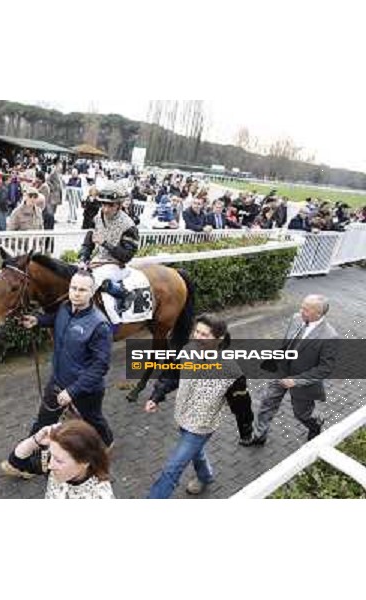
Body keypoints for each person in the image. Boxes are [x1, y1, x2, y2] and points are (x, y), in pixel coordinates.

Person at [0, 269, 114, 479]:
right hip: (57, 381)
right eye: (73, 288)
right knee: (43, 420)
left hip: (85, 390)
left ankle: (107, 442)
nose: (76, 293)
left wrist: (73, 391)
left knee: (93, 420)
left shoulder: (100, 325)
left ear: (91, 292)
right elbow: (56, 318)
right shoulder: (65, 307)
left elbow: (100, 367)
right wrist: (38, 321)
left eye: (82, 289)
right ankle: (22, 463)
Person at [146, 314, 243, 498]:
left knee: (171, 469)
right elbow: (171, 376)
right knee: (195, 452)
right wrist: (156, 396)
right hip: (183, 415)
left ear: (218, 339)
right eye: (196, 331)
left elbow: (240, 401)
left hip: (201, 426)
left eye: (204, 334)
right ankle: (205, 476)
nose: (198, 337)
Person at [243, 295, 339, 446]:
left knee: (302, 414)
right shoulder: (296, 318)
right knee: (267, 403)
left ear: (318, 314)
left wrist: (296, 381)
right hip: (281, 372)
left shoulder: (330, 336)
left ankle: (316, 423)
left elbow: (325, 369)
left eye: (306, 310)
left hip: (302, 382)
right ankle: (259, 435)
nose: (300, 311)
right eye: (301, 307)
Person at [4, 420, 114, 499]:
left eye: (59, 461)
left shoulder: (99, 496)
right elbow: (16, 461)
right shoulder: (53, 462)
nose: (50, 465)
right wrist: (35, 441)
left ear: (84, 462)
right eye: (52, 455)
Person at [78, 182, 138, 314]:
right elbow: (88, 242)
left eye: (110, 205)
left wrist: (105, 243)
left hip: (117, 265)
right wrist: (83, 257)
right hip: (98, 261)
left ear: (119, 205)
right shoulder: (98, 218)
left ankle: (125, 294)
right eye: (103, 204)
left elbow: (126, 256)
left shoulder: (129, 226)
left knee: (95, 280)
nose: (105, 209)